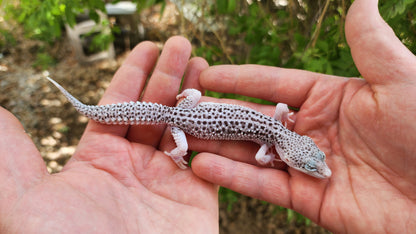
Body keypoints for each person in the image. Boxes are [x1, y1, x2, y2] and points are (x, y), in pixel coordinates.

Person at [0, 0, 414, 232]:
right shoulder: (274, 141)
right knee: (179, 147)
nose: (317, 168)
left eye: (312, 162)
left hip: (186, 109)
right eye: (311, 161)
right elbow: (260, 156)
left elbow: (282, 118)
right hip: (180, 122)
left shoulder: (279, 125)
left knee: (186, 101)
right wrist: (181, 153)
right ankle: (161, 145)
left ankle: (142, 112)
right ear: (291, 152)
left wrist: (278, 130)